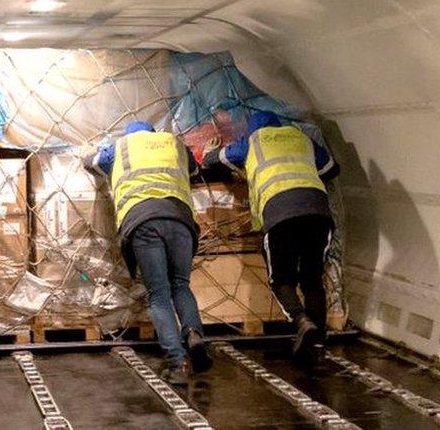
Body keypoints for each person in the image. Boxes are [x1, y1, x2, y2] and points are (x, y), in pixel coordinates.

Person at [203, 110, 339, 366]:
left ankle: (301, 320)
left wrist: (211, 150)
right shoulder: (300, 137)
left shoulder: (252, 142)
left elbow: (213, 159)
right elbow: (332, 168)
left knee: (281, 278)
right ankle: (318, 347)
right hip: (318, 212)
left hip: (280, 214)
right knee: (312, 279)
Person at [85, 121, 212, 384]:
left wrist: (92, 149)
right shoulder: (174, 143)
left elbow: (91, 162)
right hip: (181, 221)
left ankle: (177, 363)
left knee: (159, 294)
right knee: (181, 285)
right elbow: (194, 168)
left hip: (144, 222)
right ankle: (193, 334)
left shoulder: (121, 147)